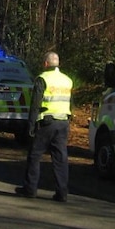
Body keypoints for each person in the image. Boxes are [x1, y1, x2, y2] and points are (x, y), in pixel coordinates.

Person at [15, 51, 74, 202]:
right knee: (60, 158)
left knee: (34, 156)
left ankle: (30, 189)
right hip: (63, 122)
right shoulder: (67, 80)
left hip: (46, 123)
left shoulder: (42, 79)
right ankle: (62, 193)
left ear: (45, 64)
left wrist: (30, 125)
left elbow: (35, 103)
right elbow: (70, 102)